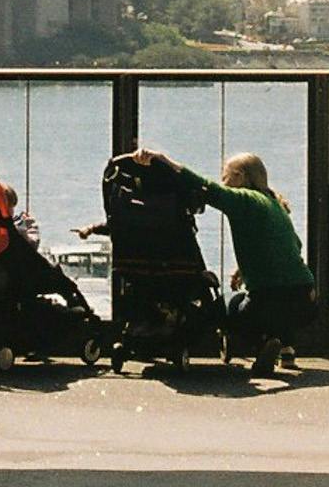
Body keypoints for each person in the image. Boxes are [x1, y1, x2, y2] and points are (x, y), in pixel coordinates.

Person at [128, 147, 315, 374]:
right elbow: (295, 246)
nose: (223, 181)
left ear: (240, 177)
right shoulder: (276, 204)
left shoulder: (244, 199)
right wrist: (243, 269)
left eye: (225, 176)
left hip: (265, 302)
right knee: (279, 301)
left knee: (224, 308)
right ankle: (285, 346)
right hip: (305, 301)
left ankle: (264, 344)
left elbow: (205, 186)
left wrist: (163, 160)